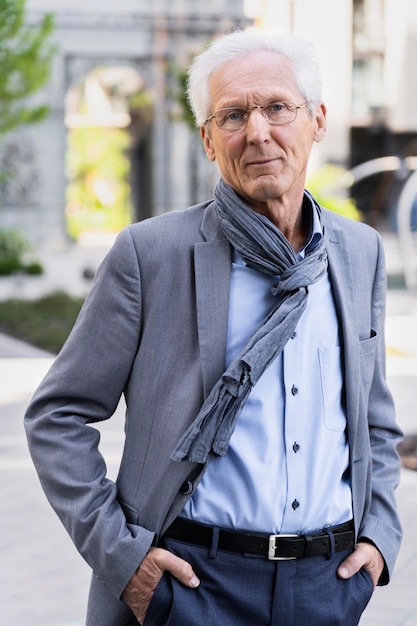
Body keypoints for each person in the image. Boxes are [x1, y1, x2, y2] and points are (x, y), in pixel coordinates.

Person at [25, 29, 403, 626]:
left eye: (278, 107)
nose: (258, 132)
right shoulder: (150, 255)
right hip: (191, 586)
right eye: (233, 115)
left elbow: (373, 420)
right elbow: (57, 416)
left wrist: (379, 537)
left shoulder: (358, 253)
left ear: (317, 120)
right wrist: (127, 562)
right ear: (208, 138)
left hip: (328, 585)